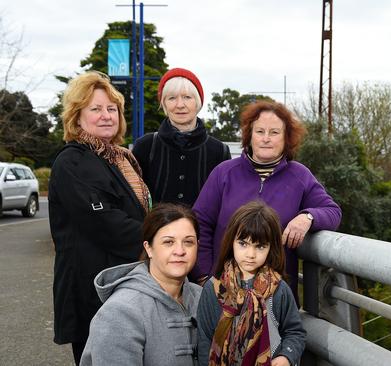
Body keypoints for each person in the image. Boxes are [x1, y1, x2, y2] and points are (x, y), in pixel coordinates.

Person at [192, 100, 342, 301]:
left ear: (286, 138)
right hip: (224, 293)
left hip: (276, 298)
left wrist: (308, 217)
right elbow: (199, 224)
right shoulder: (224, 173)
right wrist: (205, 278)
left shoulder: (299, 176)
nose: (266, 139)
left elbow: (333, 212)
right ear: (249, 135)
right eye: (260, 131)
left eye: (274, 132)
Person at [49, 71, 150, 365]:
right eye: (95, 109)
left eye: (111, 109)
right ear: (77, 117)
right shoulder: (72, 162)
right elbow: (106, 223)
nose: (106, 116)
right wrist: (160, 238)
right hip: (91, 289)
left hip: (121, 283)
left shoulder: (120, 158)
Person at [80, 204, 202, 366]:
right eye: (168, 242)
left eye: (188, 242)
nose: (179, 251)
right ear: (149, 248)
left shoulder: (202, 296)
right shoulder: (120, 312)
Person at [196, 201, 306, 366]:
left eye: (260, 246)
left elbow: (295, 332)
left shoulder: (279, 289)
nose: (251, 254)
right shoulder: (213, 288)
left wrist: (286, 357)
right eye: (243, 244)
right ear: (231, 241)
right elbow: (204, 338)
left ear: (271, 248)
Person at [132, 67, 231, 206]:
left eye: (187, 97)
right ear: (164, 103)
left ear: (198, 102)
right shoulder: (145, 146)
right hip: (154, 227)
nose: (180, 105)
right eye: (172, 98)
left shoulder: (220, 151)